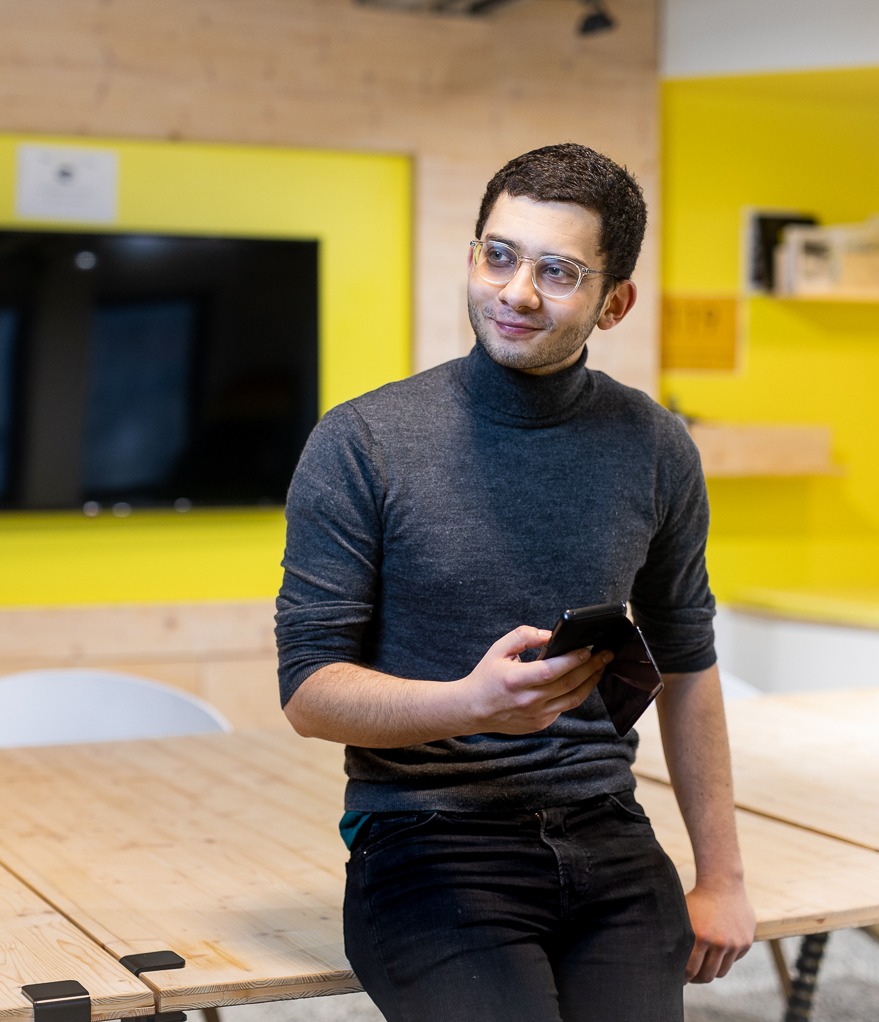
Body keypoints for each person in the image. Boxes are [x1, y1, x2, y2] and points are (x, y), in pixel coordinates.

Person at [274, 142, 754, 1022]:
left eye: (557, 271)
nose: (516, 292)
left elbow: (688, 664)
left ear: (614, 303)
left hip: (607, 830)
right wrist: (471, 705)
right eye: (498, 256)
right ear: (472, 257)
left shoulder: (655, 446)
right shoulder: (361, 443)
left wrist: (721, 877)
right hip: (424, 837)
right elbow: (308, 692)